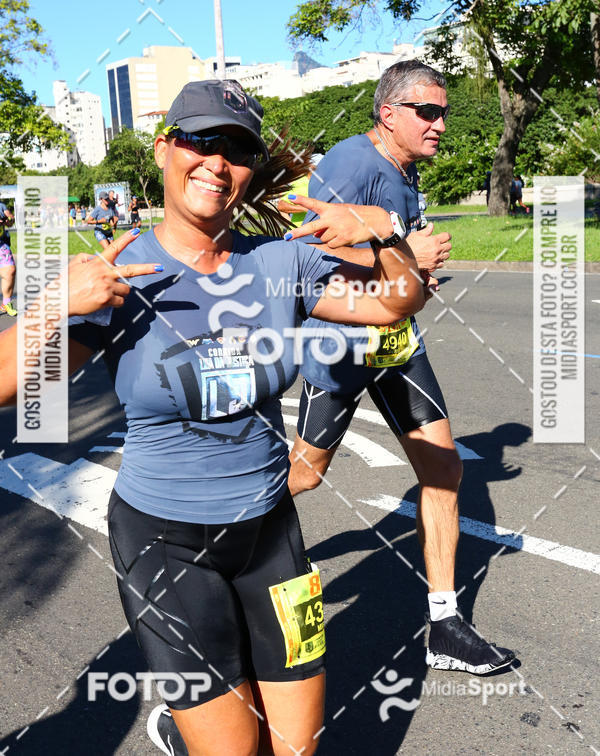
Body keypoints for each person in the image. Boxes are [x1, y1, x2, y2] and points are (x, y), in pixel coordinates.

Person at [0, 79, 424, 756]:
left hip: (270, 533)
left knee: (298, 747)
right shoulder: (119, 275)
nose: (217, 162)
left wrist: (386, 233)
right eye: (200, 140)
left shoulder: (281, 263)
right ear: (166, 149)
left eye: (237, 148)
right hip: (164, 545)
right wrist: (55, 305)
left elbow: (396, 303)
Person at [281, 60, 515, 675]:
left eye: (443, 112)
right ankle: (217, 551)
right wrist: (399, 250)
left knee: (443, 470)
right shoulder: (353, 162)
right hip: (344, 346)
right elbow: (303, 253)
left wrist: (412, 274)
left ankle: (444, 624)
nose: (439, 124)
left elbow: (390, 264)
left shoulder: (405, 172)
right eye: (427, 112)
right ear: (389, 115)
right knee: (303, 478)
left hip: (397, 346)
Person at [0, 199, 17, 316]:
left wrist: (8, 219)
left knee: (9, 270)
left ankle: (6, 303)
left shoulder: (1, 206)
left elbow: (10, 221)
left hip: (1, 243)